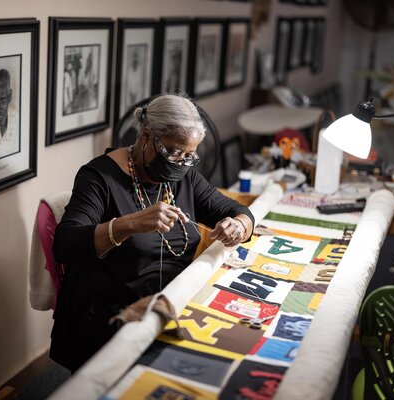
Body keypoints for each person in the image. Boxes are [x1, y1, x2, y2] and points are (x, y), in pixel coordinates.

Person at [50, 94, 255, 372]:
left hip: (170, 298)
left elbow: (232, 209)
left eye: (189, 156)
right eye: (173, 152)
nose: (180, 162)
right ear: (146, 136)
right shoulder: (98, 177)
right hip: (111, 309)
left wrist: (239, 224)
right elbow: (65, 244)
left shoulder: (183, 175)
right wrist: (131, 223)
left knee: (231, 345)